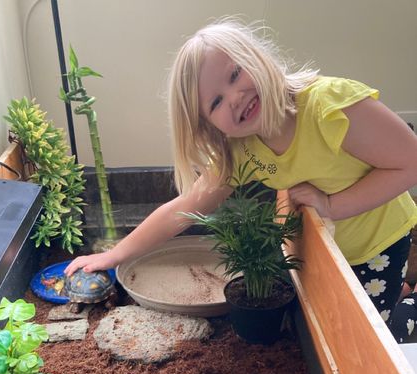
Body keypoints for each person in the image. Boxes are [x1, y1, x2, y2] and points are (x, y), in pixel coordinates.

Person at [65, 18, 417, 342]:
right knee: (333, 328)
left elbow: (410, 162)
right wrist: (116, 254)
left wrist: (332, 205)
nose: (235, 98)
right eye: (216, 101)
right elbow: (186, 207)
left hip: (377, 243)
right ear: (208, 124)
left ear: (258, 58)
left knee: (373, 337)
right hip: (333, 246)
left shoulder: (328, 107)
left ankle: (409, 305)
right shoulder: (242, 148)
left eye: (235, 75)